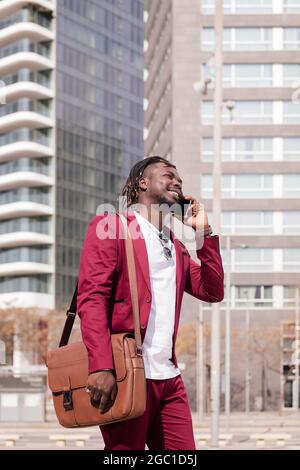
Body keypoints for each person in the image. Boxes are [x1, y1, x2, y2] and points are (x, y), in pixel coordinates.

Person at [77, 156, 224, 450]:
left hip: (169, 379)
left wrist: (203, 234)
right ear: (142, 183)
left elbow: (213, 290)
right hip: (127, 372)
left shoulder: (176, 247)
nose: (177, 181)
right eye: (168, 174)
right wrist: (101, 367)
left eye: (179, 178)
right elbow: (92, 299)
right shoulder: (112, 227)